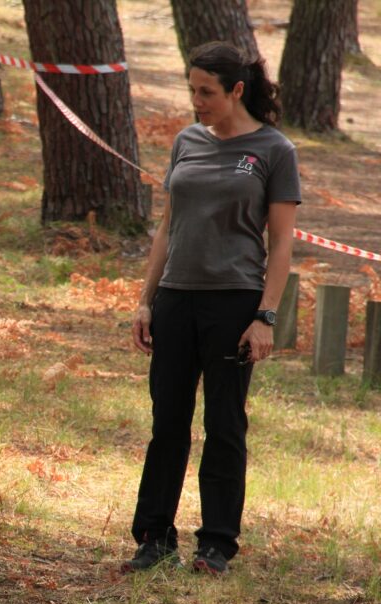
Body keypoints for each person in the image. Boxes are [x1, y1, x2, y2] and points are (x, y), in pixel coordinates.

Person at [122, 41, 301, 575]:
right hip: (177, 299)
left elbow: (283, 245)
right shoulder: (186, 141)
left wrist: (265, 315)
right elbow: (166, 228)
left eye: (207, 92)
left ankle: (217, 543)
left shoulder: (274, 150)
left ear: (236, 90)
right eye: (192, 90)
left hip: (234, 303)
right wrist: (146, 301)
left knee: (224, 424)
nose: (196, 101)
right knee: (167, 422)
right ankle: (154, 537)